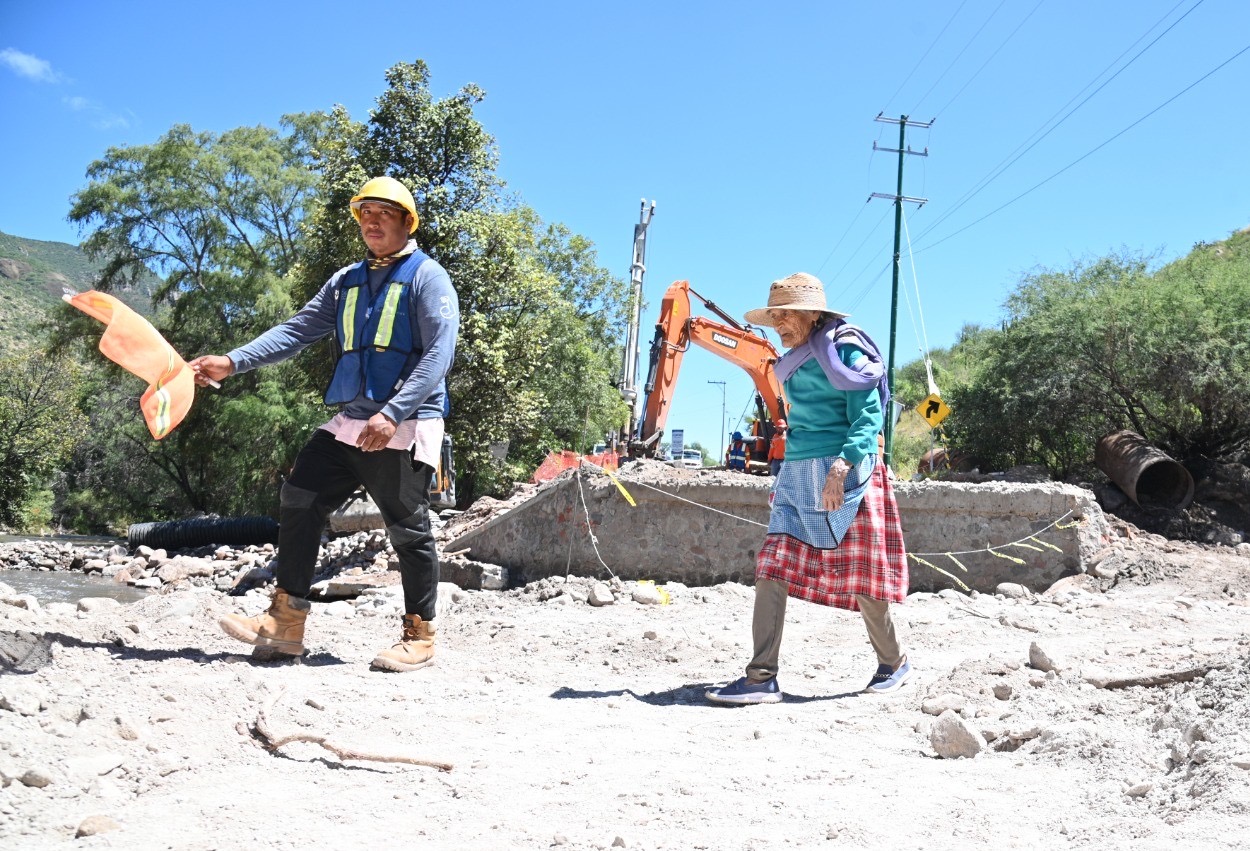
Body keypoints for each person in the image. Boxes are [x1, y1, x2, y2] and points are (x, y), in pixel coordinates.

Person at [190, 176, 459, 674]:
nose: (371, 221)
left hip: (404, 422)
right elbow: (296, 330)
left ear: (407, 221)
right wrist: (232, 361)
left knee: (409, 529)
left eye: (383, 212)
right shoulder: (346, 281)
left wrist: (394, 412)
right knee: (301, 495)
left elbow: (440, 355)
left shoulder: (428, 278)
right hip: (353, 422)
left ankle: (420, 636)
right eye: (364, 213)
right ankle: (286, 622)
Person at [706, 272, 911, 705]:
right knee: (772, 566)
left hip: (844, 473)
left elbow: (868, 413)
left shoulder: (844, 348)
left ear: (812, 313)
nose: (778, 325)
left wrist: (843, 465)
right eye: (773, 316)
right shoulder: (796, 357)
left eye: (785, 315)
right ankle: (761, 678)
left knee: (861, 577)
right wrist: (786, 473)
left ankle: (894, 662)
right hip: (798, 473)